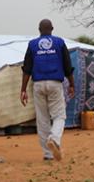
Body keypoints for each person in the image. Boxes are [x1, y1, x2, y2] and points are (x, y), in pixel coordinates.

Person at [20, 19, 75, 161]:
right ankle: (54, 139)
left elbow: (27, 69)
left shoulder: (32, 44)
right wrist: (72, 84)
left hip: (38, 85)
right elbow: (67, 65)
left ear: (39, 30)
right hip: (55, 83)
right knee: (59, 116)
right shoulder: (59, 43)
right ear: (52, 28)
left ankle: (48, 154)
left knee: (42, 119)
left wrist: (23, 90)